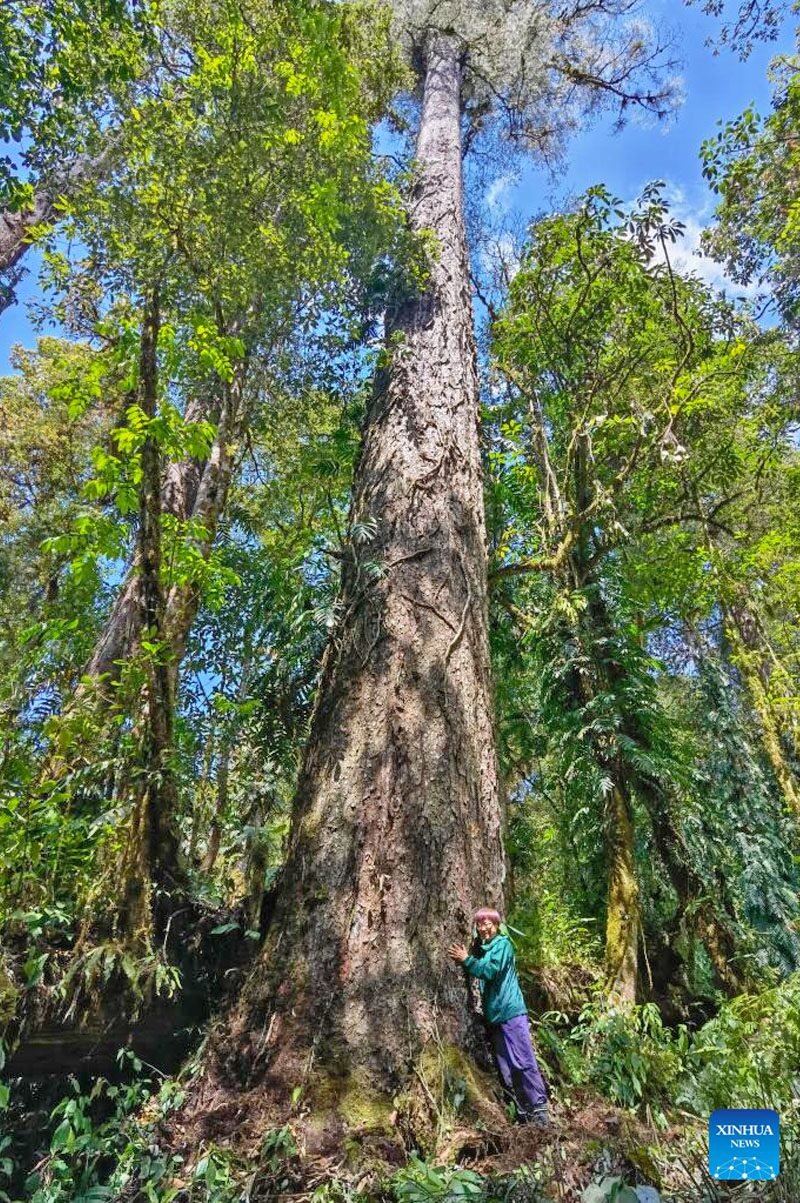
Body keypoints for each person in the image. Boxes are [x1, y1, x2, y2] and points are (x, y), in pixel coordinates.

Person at [448, 907, 550, 1128]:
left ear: (497, 926)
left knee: (523, 1062)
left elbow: (490, 971)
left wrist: (466, 960)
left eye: (489, 923)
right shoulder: (483, 950)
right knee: (505, 1069)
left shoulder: (502, 945)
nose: (484, 928)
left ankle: (540, 1111)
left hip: (511, 1014)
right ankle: (522, 1114)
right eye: (480, 924)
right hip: (494, 1018)